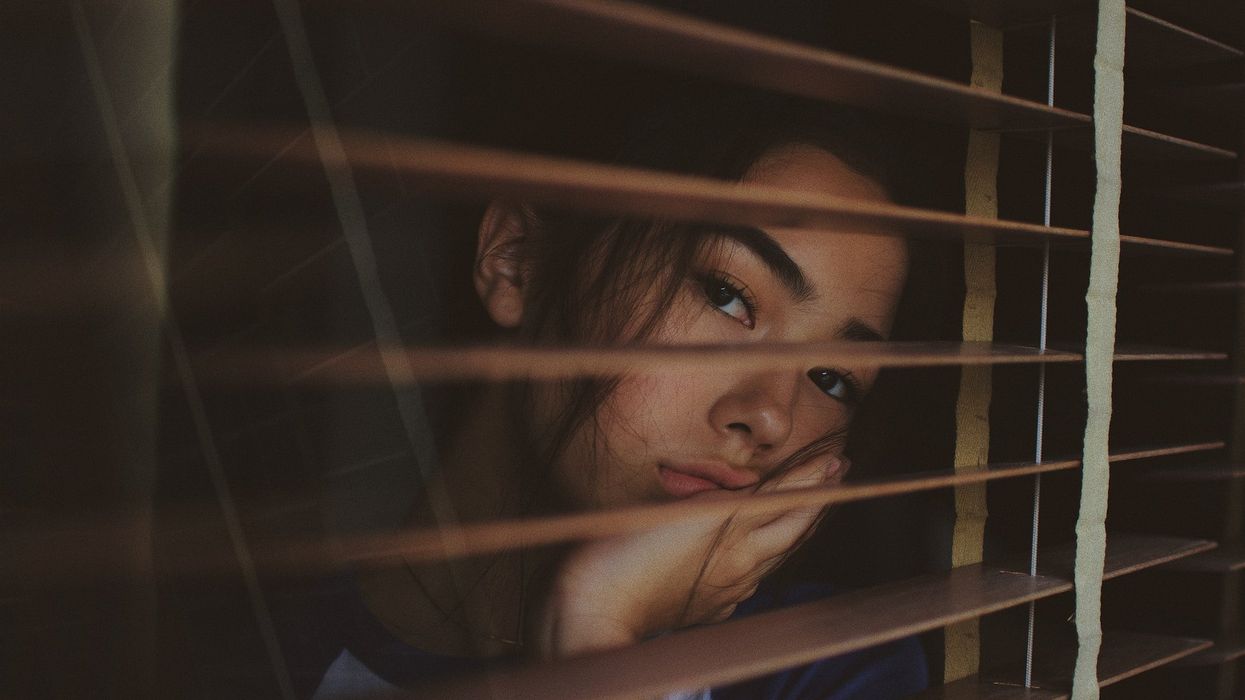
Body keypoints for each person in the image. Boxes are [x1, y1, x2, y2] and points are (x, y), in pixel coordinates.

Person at [300, 95, 929, 699]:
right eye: (726, 295)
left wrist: (595, 629)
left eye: (832, 379)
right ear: (518, 260)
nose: (770, 416)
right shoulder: (254, 646)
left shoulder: (829, 670)